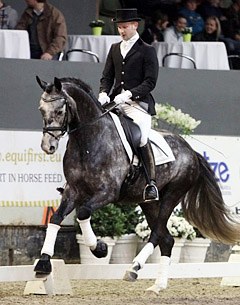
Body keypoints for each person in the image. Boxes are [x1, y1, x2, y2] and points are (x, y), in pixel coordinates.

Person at [98, 8, 159, 201]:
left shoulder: (147, 50)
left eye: (124, 27)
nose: (121, 31)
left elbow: (150, 82)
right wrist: (102, 93)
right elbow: (107, 76)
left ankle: (151, 183)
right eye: (119, 28)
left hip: (137, 103)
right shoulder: (115, 48)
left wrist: (130, 94)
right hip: (115, 101)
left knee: (141, 136)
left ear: (135, 25)